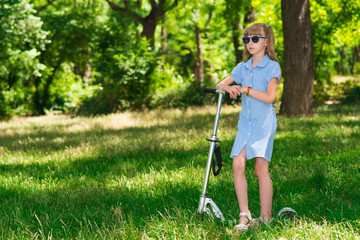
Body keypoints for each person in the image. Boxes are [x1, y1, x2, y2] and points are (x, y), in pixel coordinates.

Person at [216, 23, 281, 231]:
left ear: (266, 41)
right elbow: (220, 85)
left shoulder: (272, 67)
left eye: (255, 38)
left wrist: (246, 89)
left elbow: (270, 97)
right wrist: (230, 87)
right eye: (246, 39)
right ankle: (244, 215)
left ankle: (266, 217)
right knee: (237, 164)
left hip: (264, 123)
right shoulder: (242, 68)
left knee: (261, 168)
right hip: (246, 124)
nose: (250, 43)